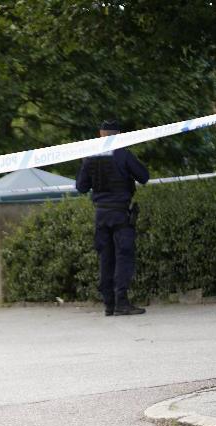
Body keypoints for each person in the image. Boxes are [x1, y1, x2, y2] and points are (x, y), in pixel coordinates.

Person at [75, 120, 150, 316]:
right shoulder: (122, 153)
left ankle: (109, 304)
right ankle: (122, 302)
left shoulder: (90, 156)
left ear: (100, 134)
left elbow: (81, 187)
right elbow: (144, 176)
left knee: (106, 259)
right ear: (118, 134)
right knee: (124, 257)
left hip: (101, 214)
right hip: (120, 214)